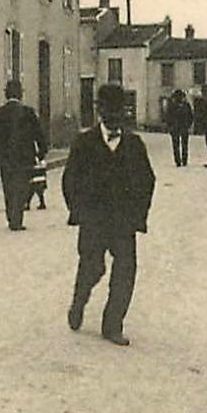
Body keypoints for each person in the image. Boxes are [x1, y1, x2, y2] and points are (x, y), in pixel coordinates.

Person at [63, 83, 155, 346]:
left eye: (119, 112)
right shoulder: (84, 142)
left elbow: (147, 181)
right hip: (93, 221)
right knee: (92, 268)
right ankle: (79, 301)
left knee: (126, 270)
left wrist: (138, 215)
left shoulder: (135, 145)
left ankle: (112, 324)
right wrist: (78, 211)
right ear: (99, 111)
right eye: (108, 112)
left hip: (123, 222)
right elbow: (70, 180)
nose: (114, 118)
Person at [0, 79, 47, 231]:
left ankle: (11, 217)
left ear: (6, 94)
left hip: (5, 157)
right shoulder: (28, 112)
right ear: (20, 94)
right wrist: (41, 152)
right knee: (21, 187)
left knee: (8, 186)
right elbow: (39, 134)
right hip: (24, 157)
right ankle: (17, 218)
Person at [165, 89, 194, 167]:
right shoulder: (172, 106)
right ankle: (178, 161)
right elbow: (168, 117)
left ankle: (183, 161)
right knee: (177, 145)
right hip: (176, 128)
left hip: (182, 127)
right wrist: (170, 126)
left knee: (183, 145)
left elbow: (190, 116)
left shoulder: (185, 105)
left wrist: (188, 125)